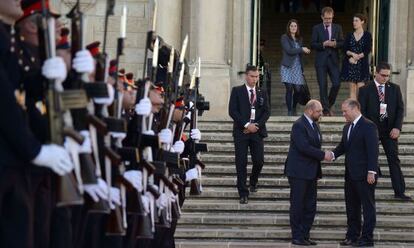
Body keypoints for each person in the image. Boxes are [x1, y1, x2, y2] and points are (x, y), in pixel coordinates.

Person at [358, 62, 411, 201]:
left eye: (388, 76)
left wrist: (397, 127)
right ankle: (368, 193)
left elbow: (400, 109)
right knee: (370, 161)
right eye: (383, 75)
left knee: (394, 160)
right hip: (371, 130)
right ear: (376, 73)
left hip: (389, 130)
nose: (385, 78)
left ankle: (399, 192)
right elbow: (361, 112)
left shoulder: (395, 88)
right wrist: (367, 130)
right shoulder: (365, 89)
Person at [332, 99, 379, 247]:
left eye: (345, 111)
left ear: (355, 109)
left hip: (365, 175)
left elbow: (373, 150)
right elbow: (342, 147)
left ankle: (367, 239)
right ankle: (352, 236)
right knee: (351, 208)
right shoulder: (347, 127)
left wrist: (372, 171)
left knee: (368, 207)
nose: (343, 114)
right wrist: (331, 155)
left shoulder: (368, 125)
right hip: (350, 175)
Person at [284, 99, 331, 246]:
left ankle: (305, 235)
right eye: (318, 111)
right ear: (310, 110)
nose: (321, 114)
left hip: (311, 172)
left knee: (310, 205)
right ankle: (297, 236)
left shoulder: (315, 125)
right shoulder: (298, 125)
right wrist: (323, 155)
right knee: (298, 205)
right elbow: (303, 147)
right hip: (298, 172)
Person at [228, 65, 270, 204]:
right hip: (241, 132)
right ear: (246, 76)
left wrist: (256, 126)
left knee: (259, 160)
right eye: (252, 76)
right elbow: (233, 111)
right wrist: (246, 125)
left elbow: (266, 112)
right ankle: (243, 192)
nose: (255, 79)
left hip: (257, 132)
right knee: (241, 162)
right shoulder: (237, 91)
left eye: (257, 76)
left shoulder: (262, 92)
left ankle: (253, 181)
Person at [311, 6, 344, 116]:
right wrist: (323, 44)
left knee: (337, 84)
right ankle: (325, 110)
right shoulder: (316, 28)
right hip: (321, 61)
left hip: (334, 60)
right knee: (322, 85)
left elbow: (342, 42)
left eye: (330, 18)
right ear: (322, 17)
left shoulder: (337, 27)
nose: (328, 21)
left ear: (333, 16)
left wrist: (335, 44)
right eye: (326, 18)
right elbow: (313, 44)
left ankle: (327, 105)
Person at [280, 19, 311, 116]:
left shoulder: (299, 39)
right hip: (287, 66)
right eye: (291, 26)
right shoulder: (284, 37)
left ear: (297, 28)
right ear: (288, 27)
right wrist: (301, 49)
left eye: (295, 26)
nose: (293, 28)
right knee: (289, 88)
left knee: (297, 90)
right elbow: (289, 50)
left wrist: (302, 68)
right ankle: (289, 111)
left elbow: (299, 54)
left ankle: (293, 107)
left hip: (297, 67)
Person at [340, 13, 372, 99]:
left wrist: (358, 56)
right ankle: (352, 111)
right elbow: (344, 49)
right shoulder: (349, 35)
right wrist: (352, 54)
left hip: (362, 64)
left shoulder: (367, 35)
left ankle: (360, 111)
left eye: (356, 20)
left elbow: (368, 49)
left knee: (361, 89)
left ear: (362, 21)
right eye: (353, 21)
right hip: (351, 64)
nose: (354, 22)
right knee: (352, 89)